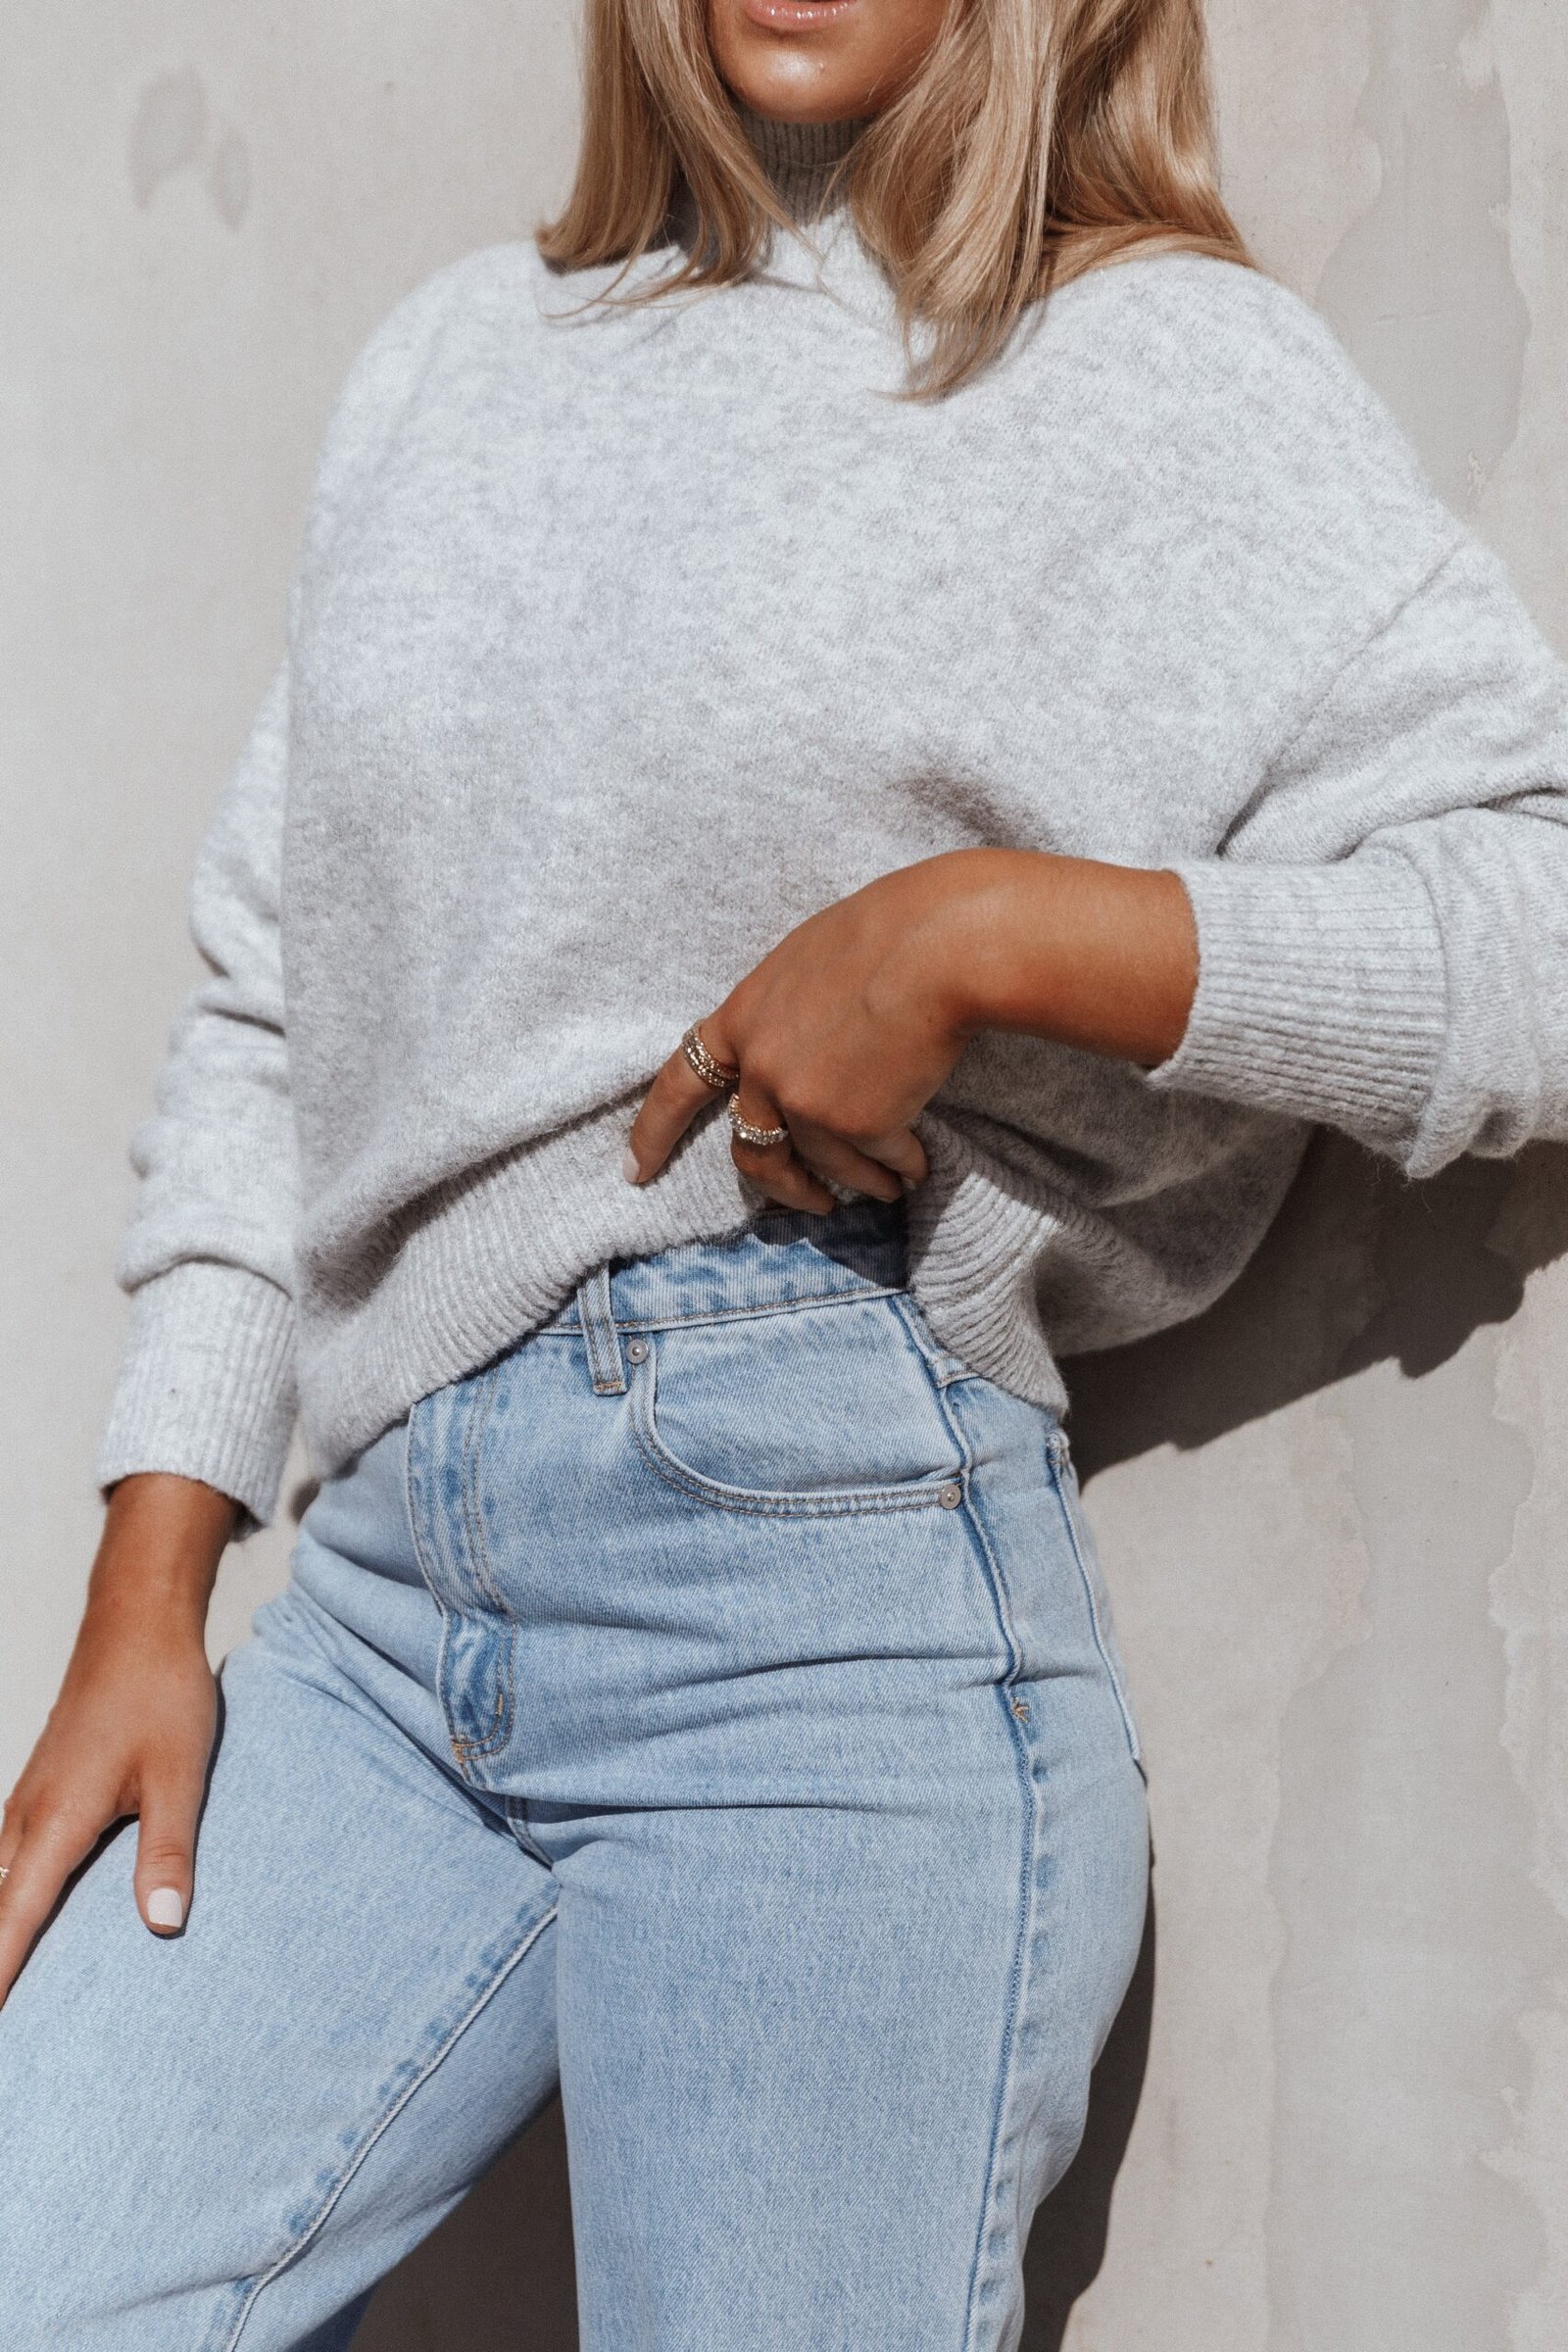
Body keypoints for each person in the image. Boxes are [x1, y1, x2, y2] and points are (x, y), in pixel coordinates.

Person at [3, 0, 1566, 2341]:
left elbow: (1534, 922)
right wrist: (150, 1586)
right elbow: (271, 1009)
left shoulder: (1156, 368)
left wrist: (978, 936)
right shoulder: (456, 364)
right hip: (385, 1606)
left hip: (820, 1607)